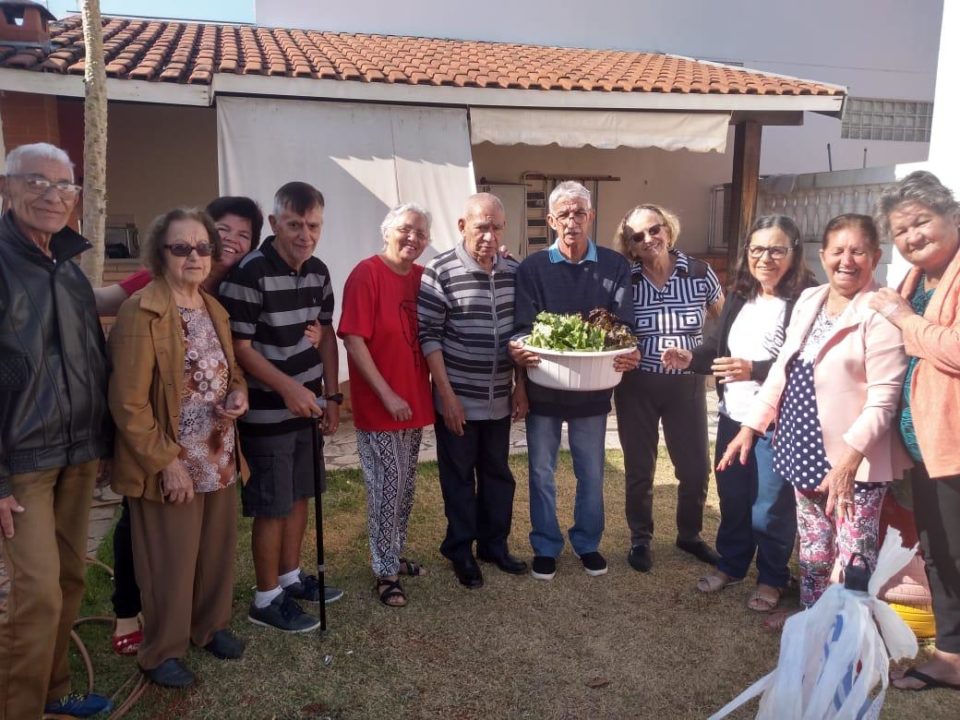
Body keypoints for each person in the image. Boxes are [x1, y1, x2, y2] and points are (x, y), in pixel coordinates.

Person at [719, 214, 908, 629]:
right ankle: (811, 618)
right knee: (815, 547)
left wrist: (848, 461)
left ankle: (848, 632)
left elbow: (884, 399)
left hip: (853, 464)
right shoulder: (811, 300)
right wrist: (750, 427)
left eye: (858, 251)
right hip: (802, 450)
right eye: (838, 251)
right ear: (823, 256)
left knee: (854, 552)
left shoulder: (882, 312)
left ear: (875, 256)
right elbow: (782, 371)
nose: (847, 261)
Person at [107, 195, 266, 656]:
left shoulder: (211, 307)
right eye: (182, 248)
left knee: (214, 556)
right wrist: (166, 462)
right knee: (169, 565)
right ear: (161, 253)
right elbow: (127, 403)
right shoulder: (143, 312)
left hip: (217, 456)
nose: (194, 256)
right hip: (171, 464)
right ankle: (162, 651)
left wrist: (239, 393)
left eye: (202, 248)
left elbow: (230, 371)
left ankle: (211, 628)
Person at [0, 143, 114, 719]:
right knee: (38, 593)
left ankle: (55, 691)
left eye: (64, 186)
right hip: (21, 463)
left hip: (78, 453)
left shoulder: (67, 270)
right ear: (7, 187)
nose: (52, 195)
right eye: (36, 182)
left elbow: (92, 358)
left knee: (70, 580)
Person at [663, 216, 815, 612]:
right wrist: (689, 358)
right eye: (757, 249)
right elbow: (717, 350)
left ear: (794, 252)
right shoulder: (740, 295)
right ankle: (731, 564)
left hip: (778, 422)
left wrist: (754, 369)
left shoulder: (807, 299)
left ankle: (772, 577)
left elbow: (807, 362)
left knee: (770, 506)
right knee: (732, 496)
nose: (766, 258)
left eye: (777, 249)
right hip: (733, 415)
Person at [219, 182, 343, 633]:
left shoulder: (319, 271)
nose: (304, 234)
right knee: (272, 504)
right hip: (268, 411)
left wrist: (331, 394)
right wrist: (288, 388)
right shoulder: (250, 272)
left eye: (313, 225)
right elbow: (240, 346)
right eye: (294, 224)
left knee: (300, 495)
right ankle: (265, 597)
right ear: (274, 224)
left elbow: (326, 334)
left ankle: (290, 578)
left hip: (308, 406)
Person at [509, 181, 640, 581]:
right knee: (541, 471)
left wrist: (628, 351)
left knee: (592, 471)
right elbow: (522, 329)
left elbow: (624, 326)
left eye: (579, 213)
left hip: (593, 390)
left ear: (591, 217)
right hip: (543, 388)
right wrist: (518, 363)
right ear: (551, 220)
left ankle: (587, 543)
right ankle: (545, 545)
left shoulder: (614, 266)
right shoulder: (532, 268)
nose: (572, 221)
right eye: (563, 214)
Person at [868, 171, 960, 692]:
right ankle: (951, 649)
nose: (912, 237)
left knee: (954, 549)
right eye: (901, 231)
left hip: (954, 442)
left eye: (921, 222)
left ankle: (951, 657)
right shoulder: (916, 280)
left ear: (953, 216)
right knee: (939, 547)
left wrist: (904, 318)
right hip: (924, 445)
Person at [418, 193, 529, 589]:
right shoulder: (440, 271)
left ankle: (494, 546)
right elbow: (428, 337)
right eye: (482, 226)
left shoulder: (514, 269)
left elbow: (522, 335)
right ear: (463, 226)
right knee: (460, 476)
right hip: (458, 400)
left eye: (497, 227)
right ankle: (461, 549)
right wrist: (445, 396)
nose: (490, 236)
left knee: (498, 474)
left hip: (500, 396)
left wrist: (520, 388)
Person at [612, 204, 724, 573]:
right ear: (630, 245)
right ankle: (640, 538)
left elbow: (724, 321)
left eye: (654, 230)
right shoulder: (624, 278)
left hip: (687, 386)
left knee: (694, 467)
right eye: (638, 236)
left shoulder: (698, 272)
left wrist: (699, 354)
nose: (649, 239)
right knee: (639, 468)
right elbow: (610, 328)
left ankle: (689, 535)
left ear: (668, 230)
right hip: (637, 385)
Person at [338, 203, 434, 607]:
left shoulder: (421, 278)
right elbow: (353, 339)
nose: (413, 238)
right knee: (385, 488)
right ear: (387, 232)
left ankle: (393, 552)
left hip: (414, 402)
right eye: (405, 230)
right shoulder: (367, 273)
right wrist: (387, 394)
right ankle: (384, 571)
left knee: (405, 487)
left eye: (421, 233)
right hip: (382, 406)